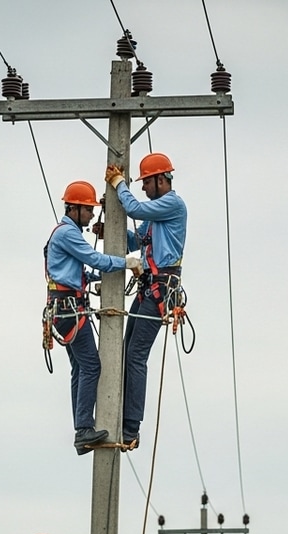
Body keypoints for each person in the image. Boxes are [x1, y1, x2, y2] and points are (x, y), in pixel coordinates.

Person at [44, 180, 143, 454]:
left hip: (65, 308)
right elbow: (95, 259)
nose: (91, 215)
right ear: (74, 208)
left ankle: (82, 428)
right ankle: (84, 429)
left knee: (80, 367)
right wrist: (127, 262)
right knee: (91, 367)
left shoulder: (64, 233)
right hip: (70, 309)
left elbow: (80, 273)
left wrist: (102, 277)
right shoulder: (68, 233)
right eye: (88, 210)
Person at [104, 152, 187, 446]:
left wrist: (118, 184)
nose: (143, 188)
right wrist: (111, 230)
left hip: (160, 288)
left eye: (145, 182)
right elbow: (136, 240)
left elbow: (135, 208)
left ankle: (131, 426)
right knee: (126, 351)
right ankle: (119, 412)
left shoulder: (172, 204)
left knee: (137, 355)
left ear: (160, 180)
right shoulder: (156, 214)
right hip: (149, 287)